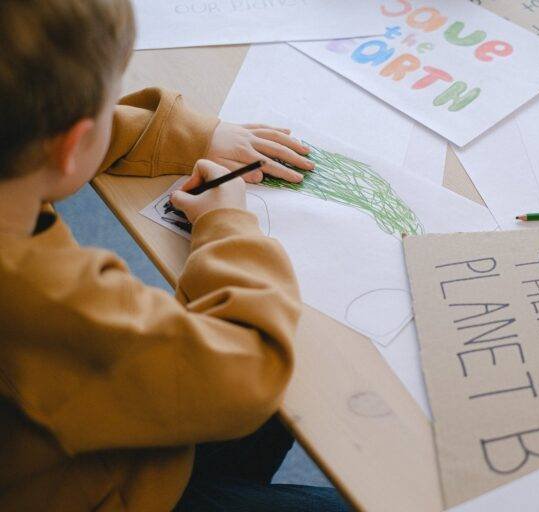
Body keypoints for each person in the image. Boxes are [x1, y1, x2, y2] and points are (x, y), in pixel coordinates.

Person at [0, 1, 348, 510]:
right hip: (102, 488)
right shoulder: (40, 293)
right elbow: (249, 371)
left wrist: (198, 135)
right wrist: (226, 225)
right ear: (72, 144)